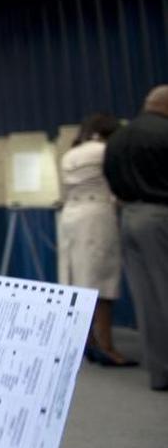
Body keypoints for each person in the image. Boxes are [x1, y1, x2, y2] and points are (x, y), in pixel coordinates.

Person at [58, 113, 136, 367]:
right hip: (97, 216)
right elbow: (119, 185)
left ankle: (88, 341)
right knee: (102, 281)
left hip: (71, 216)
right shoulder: (104, 150)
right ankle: (107, 346)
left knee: (79, 280)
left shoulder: (71, 153)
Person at [104, 85, 168, 391]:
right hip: (161, 216)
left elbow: (111, 181)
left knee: (147, 300)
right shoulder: (164, 133)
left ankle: (160, 372)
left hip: (128, 218)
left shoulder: (117, 138)